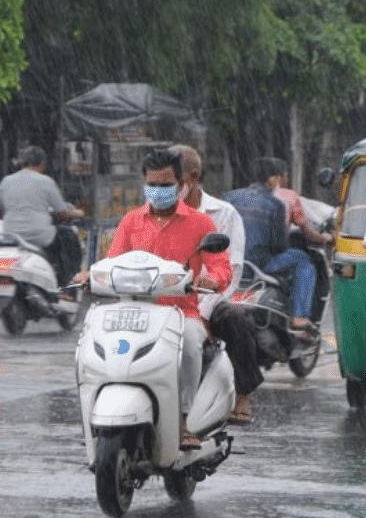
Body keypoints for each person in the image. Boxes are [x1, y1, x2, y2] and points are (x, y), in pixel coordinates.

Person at [72, 148, 231, 449]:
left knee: (190, 349)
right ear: (144, 184)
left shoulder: (201, 224)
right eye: (153, 185)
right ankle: (94, 419)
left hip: (182, 313)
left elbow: (220, 265)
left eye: (165, 185)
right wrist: (89, 276)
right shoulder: (132, 222)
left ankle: (185, 421)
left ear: (182, 183)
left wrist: (211, 279)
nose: (158, 191)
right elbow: (111, 262)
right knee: (89, 349)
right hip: (131, 312)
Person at [170, 144, 263, 426]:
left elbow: (230, 271)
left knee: (236, 318)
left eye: (172, 182)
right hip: (167, 297)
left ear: (193, 178)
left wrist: (203, 313)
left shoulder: (224, 214)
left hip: (210, 298)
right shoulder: (154, 216)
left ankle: (243, 394)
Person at [225, 157, 318, 335]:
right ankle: (299, 316)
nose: (282, 181)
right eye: (280, 177)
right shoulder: (275, 204)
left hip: (230, 262)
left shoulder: (229, 197)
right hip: (258, 264)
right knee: (304, 261)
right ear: (273, 179)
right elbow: (279, 246)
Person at [0, 145, 85, 286]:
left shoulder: (6, 181)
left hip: (11, 238)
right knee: (69, 239)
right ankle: (69, 286)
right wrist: (78, 213)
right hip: (40, 238)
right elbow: (62, 213)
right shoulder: (46, 182)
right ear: (42, 163)